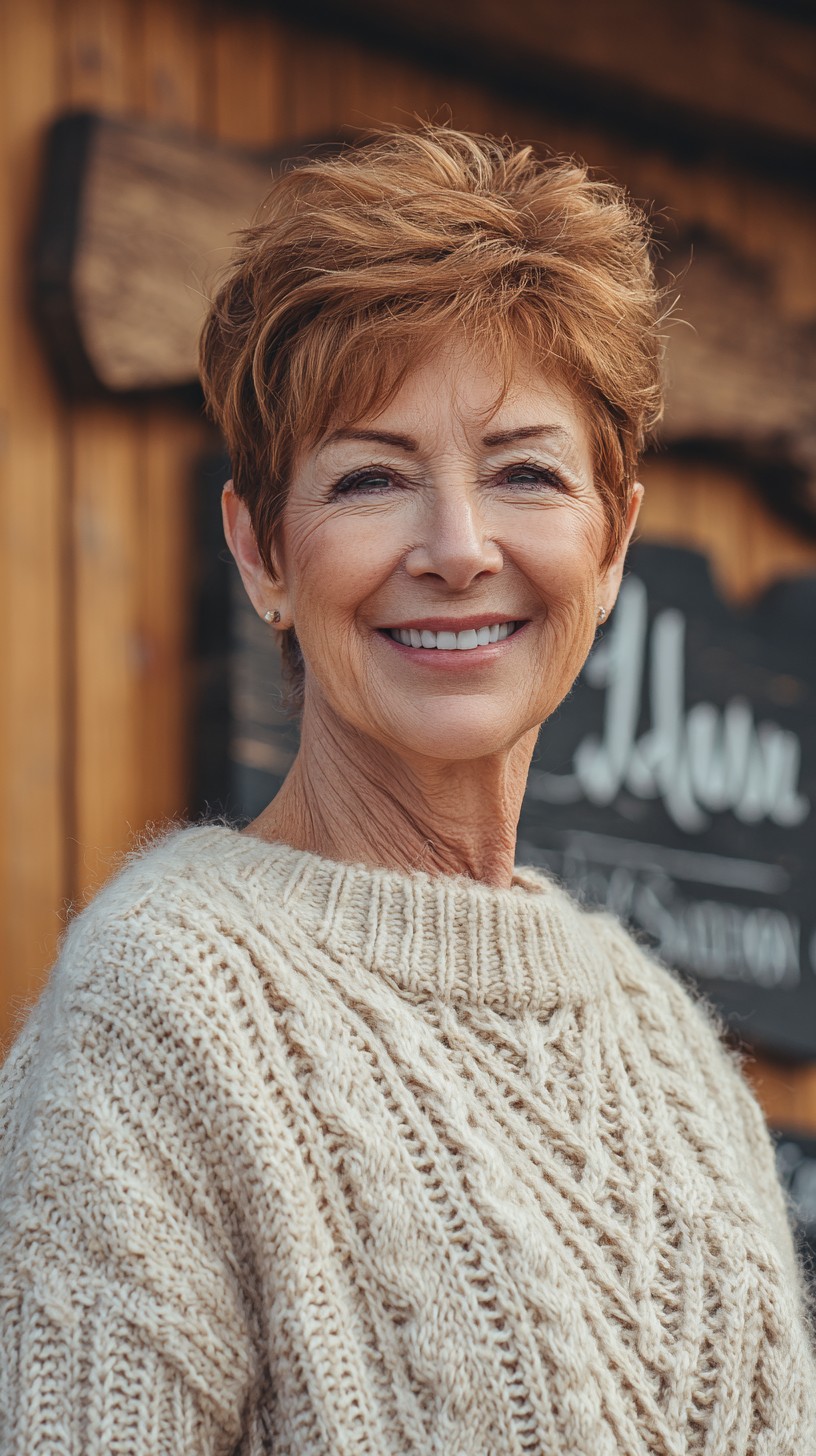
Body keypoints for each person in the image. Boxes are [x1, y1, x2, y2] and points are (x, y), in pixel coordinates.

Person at [1, 124, 814, 1455]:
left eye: (525, 474)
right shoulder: (161, 1006)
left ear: (609, 547)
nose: (456, 548)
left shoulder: (670, 1048)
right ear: (263, 550)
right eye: (373, 477)